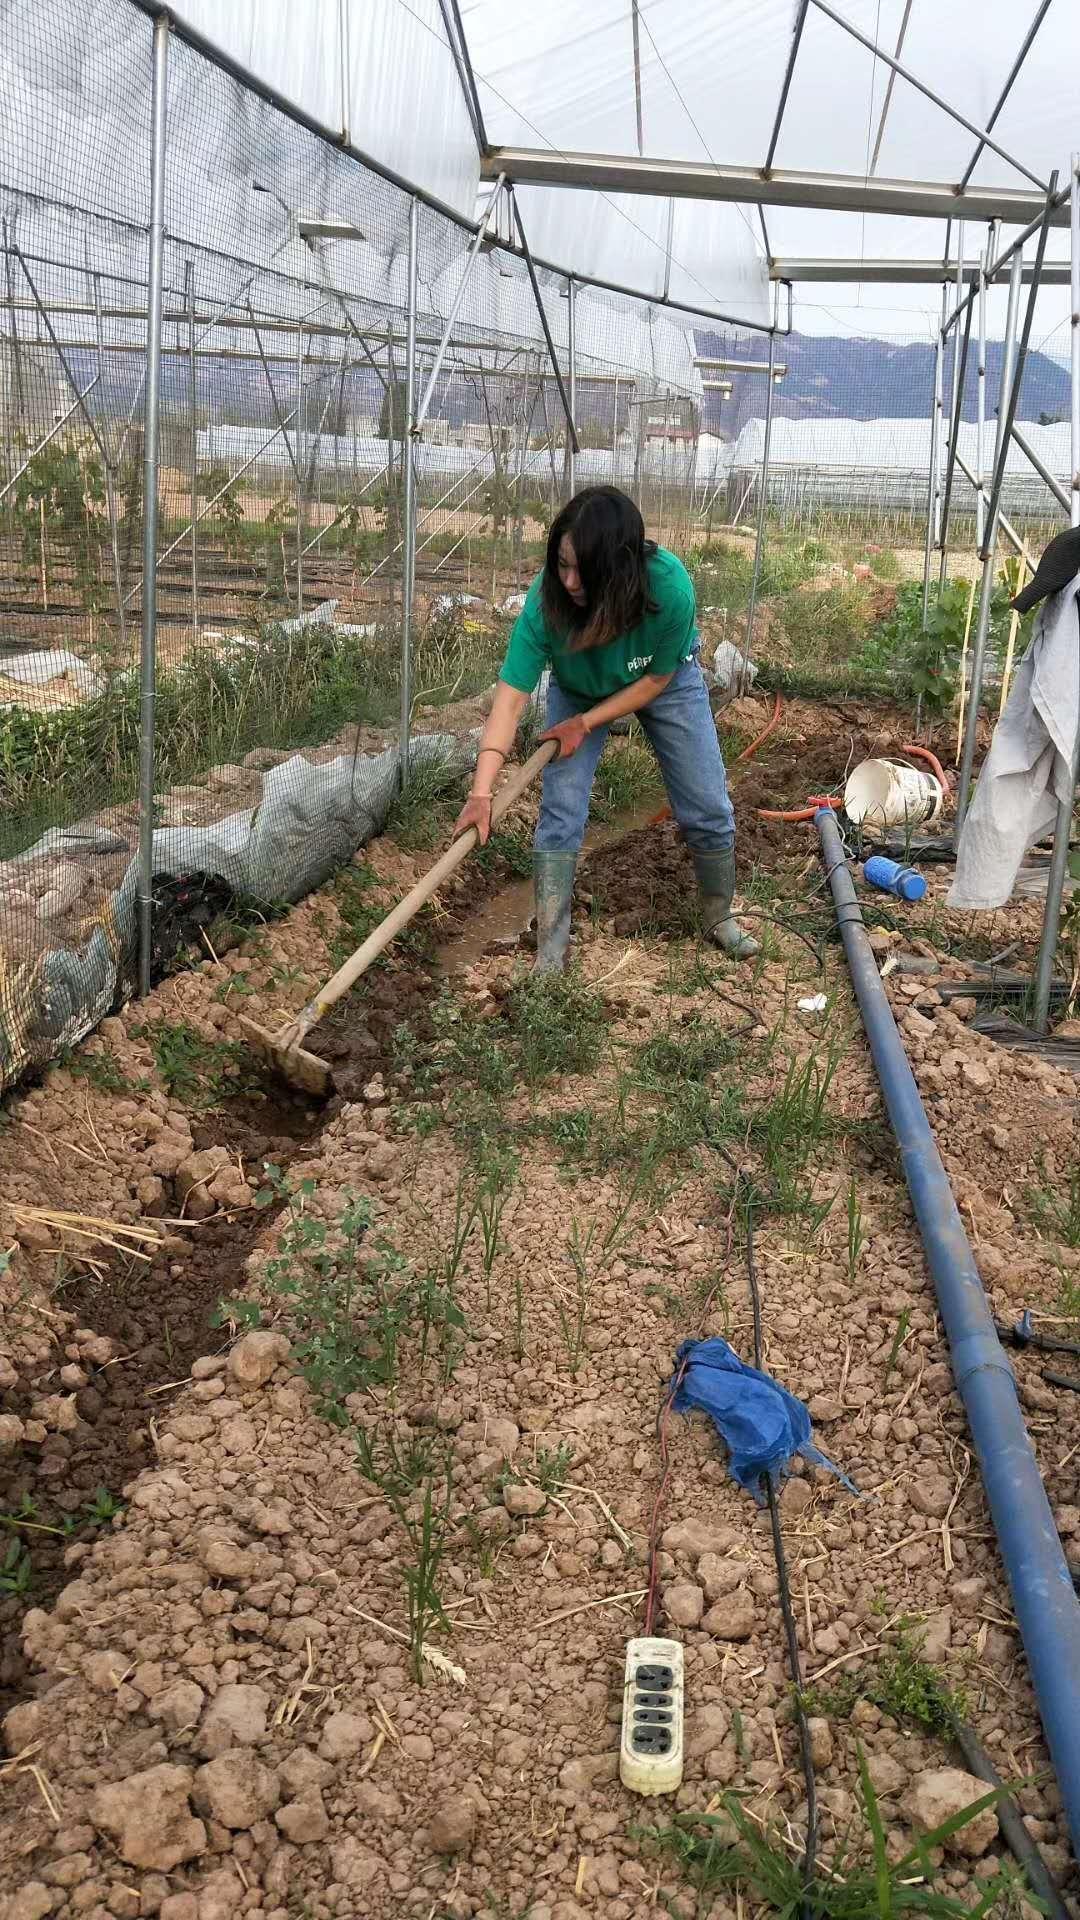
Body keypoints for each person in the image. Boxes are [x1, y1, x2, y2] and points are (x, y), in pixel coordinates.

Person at [454, 485, 758, 973]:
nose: (569, 581)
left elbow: (656, 680)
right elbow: (509, 701)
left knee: (706, 803)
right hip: (578, 688)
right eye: (561, 564)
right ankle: (551, 949)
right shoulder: (545, 604)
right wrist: (482, 792)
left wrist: (588, 723)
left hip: (665, 681)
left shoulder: (670, 590)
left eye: (583, 569)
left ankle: (718, 915)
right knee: (561, 811)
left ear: (618, 568)